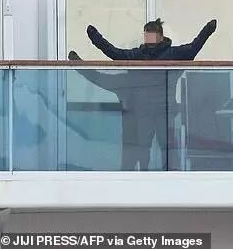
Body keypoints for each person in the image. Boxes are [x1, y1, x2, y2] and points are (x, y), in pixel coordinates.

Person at [69, 18, 217, 170]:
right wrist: (95, 38)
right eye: (147, 35)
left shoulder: (172, 54)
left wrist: (208, 29)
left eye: (152, 35)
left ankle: (171, 174)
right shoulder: (137, 55)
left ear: (161, 36)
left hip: (164, 112)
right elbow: (114, 53)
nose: (149, 39)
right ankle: (144, 173)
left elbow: (193, 48)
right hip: (142, 112)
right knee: (142, 148)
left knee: (167, 148)